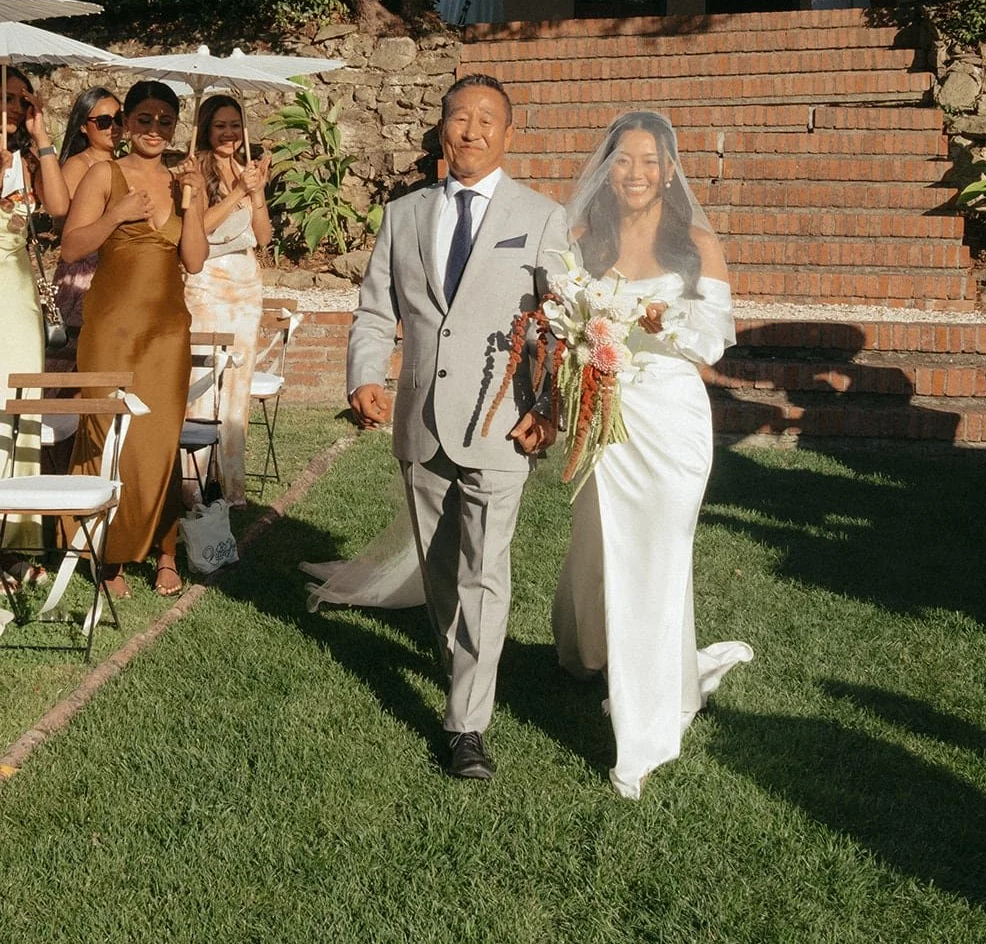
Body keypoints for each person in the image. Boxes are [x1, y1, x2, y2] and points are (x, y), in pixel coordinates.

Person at [303, 74, 569, 781]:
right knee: (442, 571)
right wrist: (365, 374)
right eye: (459, 117)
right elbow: (374, 309)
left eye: (487, 119)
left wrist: (548, 407)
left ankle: (466, 726)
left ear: (508, 134)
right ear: (441, 128)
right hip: (420, 420)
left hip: (502, 424)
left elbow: (562, 327)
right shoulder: (404, 215)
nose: (471, 130)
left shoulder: (542, 217)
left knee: (485, 571)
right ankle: (462, 669)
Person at [551, 110, 753, 799]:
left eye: (649, 161)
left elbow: (716, 337)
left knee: (659, 559)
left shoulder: (695, 243)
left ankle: (645, 729)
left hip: (670, 422)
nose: (635, 173)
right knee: (600, 542)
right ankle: (589, 649)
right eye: (623, 160)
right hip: (603, 414)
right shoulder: (583, 240)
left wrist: (663, 322)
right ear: (605, 169)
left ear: (669, 171)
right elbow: (562, 320)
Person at [63, 80, 208, 598]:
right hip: (112, 330)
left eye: (165, 121)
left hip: (167, 333)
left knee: (159, 440)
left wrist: (193, 201)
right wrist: (115, 216)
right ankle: (110, 554)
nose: (154, 129)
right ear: (126, 123)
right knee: (109, 436)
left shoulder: (181, 179)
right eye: (145, 119)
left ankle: (166, 552)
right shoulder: (105, 174)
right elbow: (71, 247)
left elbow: (194, 260)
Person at [183, 94, 271, 507]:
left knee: (237, 384)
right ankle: (193, 483)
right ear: (206, 128)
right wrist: (237, 192)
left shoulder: (247, 169)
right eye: (221, 125)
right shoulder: (196, 169)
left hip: (246, 284)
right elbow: (200, 227)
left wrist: (256, 192)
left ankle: (229, 485)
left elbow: (264, 236)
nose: (229, 133)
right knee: (203, 381)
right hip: (207, 281)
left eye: (236, 125)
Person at [1, 68, 69, 580]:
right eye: (3, 98)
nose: (10, 108)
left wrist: (42, 137)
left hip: (18, 295)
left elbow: (61, 209)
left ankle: (13, 540)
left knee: (18, 405)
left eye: (19, 101)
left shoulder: (27, 160)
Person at [51, 85, 122, 347]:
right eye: (103, 121)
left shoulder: (124, 163)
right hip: (84, 274)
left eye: (119, 119)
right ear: (83, 126)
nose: (113, 127)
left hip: (116, 271)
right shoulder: (78, 165)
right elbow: (64, 223)